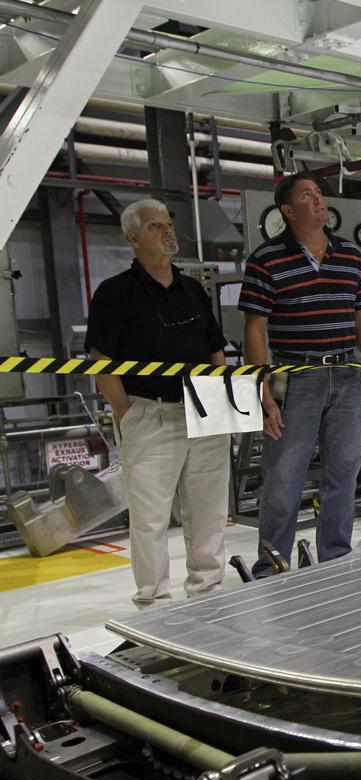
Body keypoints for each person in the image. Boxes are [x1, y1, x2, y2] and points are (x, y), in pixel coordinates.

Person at [85, 199, 229, 607]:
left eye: (168, 224)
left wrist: (219, 402)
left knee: (209, 509)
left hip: (203, 412)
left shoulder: (192, 290)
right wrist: (126, 413)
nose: (168, 232)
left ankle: (209, 591)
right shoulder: (115, 293)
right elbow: (101, 359)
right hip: (150, 412)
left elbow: (215, 348)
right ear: (132, 238)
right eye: (154, 227)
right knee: (149, 518)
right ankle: (154, 603)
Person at [239, 172, 361, 577]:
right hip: (295, 376)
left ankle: (336, 557)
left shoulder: (350, 256)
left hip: (345, 374)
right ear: (287, 211)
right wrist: (262, 390)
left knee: (344, 471)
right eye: (307, 195)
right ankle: (272, 567)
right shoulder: (266, 259)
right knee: (284, 477)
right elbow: (254, 328)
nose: (319, 200)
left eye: (319, 193)